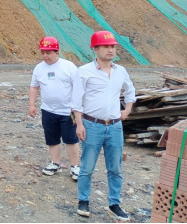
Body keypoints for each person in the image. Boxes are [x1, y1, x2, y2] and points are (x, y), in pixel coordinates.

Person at [71, 31, 136, 222]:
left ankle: (114, 204)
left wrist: (127, 110)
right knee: (87, 167)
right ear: (96, 49)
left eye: (113, 47)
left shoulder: (120, 71)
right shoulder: (84, 71)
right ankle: (83, 201)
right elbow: (76, 100)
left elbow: (130, 90)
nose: (110, 50)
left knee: (115, 168)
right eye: (106, 46)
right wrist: (79, 124)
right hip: (92, 125)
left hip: (115, 127)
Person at [29, 36, 80, 180]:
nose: (45, 56)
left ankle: (75, 166)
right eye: (43, 52)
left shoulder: (68, 67)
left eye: (49, 52)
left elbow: (78, 87)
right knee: (52, 138)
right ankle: (55, 163)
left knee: (71, 139)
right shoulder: (39, 68)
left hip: (67, 111)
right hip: (48, 110)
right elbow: (34, 87)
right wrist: (32, 105)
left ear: (57, 52)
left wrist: (76, 107)